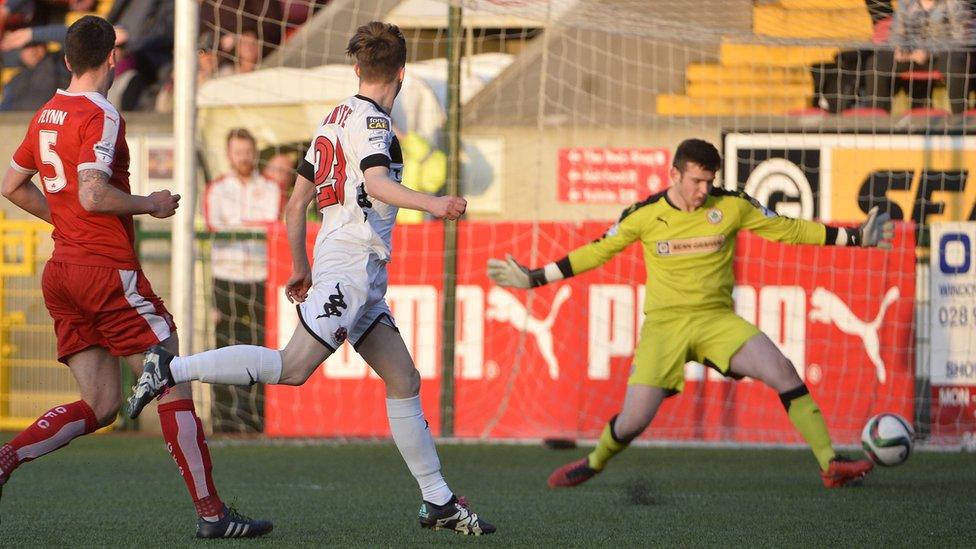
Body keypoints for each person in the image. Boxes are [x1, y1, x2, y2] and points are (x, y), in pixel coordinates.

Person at [128, 21, 495, 536]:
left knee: (403, 379)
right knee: (294, 367)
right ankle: (171, 367)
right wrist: (434, 202)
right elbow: (376, 183)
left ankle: (438, 501)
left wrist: (300, 264)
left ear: (357, 69)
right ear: (403, 74)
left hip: (353, 270)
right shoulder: (372, 123)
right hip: (350, 266)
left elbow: (296, 203)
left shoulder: (333, 118)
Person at [487, 139, 891, 490]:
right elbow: (596, 251)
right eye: (697, 180)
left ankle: (830, 464)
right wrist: (535, 278)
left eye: (709, 181)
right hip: (665, 329)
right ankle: (593, 462)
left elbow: (787, 229)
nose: (704, 189)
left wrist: (854, 237)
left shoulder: (730, 206)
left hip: (716, 321)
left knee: (783, 371)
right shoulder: (644, 215)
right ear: (674, 174)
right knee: (633, 421)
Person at [0, 16, 271, 538]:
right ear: (111, 60)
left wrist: (66, 221)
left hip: (61, 272)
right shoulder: (100, 114)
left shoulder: (47, 113)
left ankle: (6, 458)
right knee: (172, 376)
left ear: (65, 61)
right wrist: (152, 203)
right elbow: (94, 194)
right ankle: (213, 514)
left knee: (101, 405)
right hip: (105, 271)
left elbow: (12, 185)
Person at [203, 128, 281, 432]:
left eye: (248, 151)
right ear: (228, 154)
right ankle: (225, 419)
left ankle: (256, 417)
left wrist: (242, 226)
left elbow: (271, 226)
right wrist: (250, 226)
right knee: (225, 345)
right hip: (227, 278)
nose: (244, 158)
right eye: (238, 152)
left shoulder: (272, 188)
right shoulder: (217, 189)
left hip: (260, 278)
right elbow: (215, 225)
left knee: (260, 346)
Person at [865, 0, 972, 114]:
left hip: (942, 55)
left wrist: (929, 52)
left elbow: (959, 39)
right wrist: (900, 49)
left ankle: (960, 120)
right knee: (878, 61)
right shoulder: (906, 3)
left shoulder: (954, 4)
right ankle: (877, 120)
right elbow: (897, 33)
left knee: (955, 61)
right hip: (912, 55)